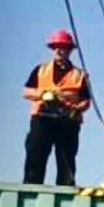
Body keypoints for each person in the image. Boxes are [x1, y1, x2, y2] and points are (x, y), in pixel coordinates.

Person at [22, 29, 91, 186]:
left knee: (66, 160)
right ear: (53, 49)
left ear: (70, 50)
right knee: (35, 155)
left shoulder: (80, 75)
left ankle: (65, 192)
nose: (60, 50)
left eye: (64, 47)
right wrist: (44, 94)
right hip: (42, 118)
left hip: (68, 121)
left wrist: (77, 109)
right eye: (57, 47)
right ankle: (31, 189)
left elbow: (86, 101)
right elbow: (26, 92)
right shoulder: (41, 70)